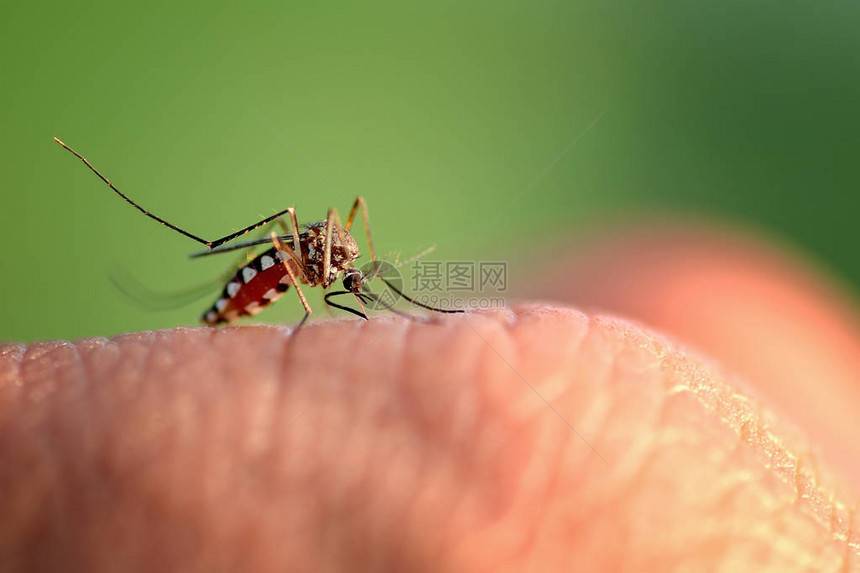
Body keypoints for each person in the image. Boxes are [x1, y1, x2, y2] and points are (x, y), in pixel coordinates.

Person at [1, 224, 858, 571]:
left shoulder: (350, 267)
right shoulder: (307, 265)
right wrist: (282, 286)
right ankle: (207, 265)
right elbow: (301, 252)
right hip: (266, 269)